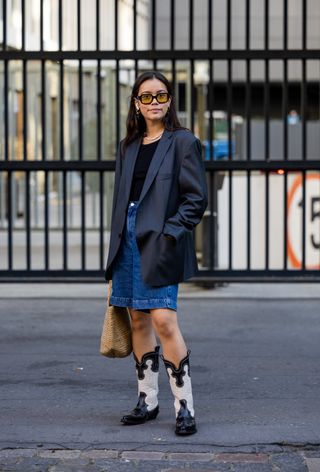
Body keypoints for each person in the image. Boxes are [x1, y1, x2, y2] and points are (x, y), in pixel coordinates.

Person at [104, 70, 208, 435]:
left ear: (169, 101)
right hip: (127, 240)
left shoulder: (183, 142)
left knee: (164, 319)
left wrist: (171, 233)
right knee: (138, 319)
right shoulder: (127, 146)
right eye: (146, 96)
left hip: (161, 240)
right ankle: (147, 400)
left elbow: (196, 199)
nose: (154, 102)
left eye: (161, 96)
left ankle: (185, 407)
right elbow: (122, 198)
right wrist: (116, 240)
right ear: (136, 103)